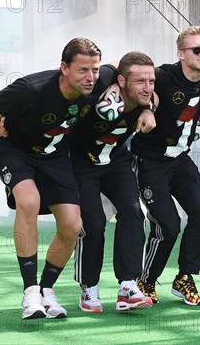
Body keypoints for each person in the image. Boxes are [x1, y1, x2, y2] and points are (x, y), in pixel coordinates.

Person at [0, 38, 112, 319]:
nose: (91, 78)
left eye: (95, 70)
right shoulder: (31, 89)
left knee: (72, 224)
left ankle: (46, 291)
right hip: (14, 150)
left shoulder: (101, 81)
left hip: (54, 157)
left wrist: (149, 106)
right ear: (64, 68)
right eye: (82, 70)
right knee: (29, 201)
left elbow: (130, 71)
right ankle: (30, 292)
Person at [132, 25, 200, 306]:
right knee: (168, 225)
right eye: (196, 50)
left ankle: (185, 277)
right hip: (149, 161)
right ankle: (147, 279)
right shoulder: (164, 75)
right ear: (181, 54)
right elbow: (125, 73)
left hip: (181, 159)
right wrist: (146, 107)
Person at [69, 51, 156, 313]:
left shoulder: (149, 89)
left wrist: (149, 108)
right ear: (120, 80)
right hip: (81, 162)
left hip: (116, 161)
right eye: (140, 82)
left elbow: (153, 87)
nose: (148, 87)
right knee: (94, 223)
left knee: (133, 212)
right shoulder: (104, 77)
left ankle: (128, 285)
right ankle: (89, 286)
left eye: (151, 81)